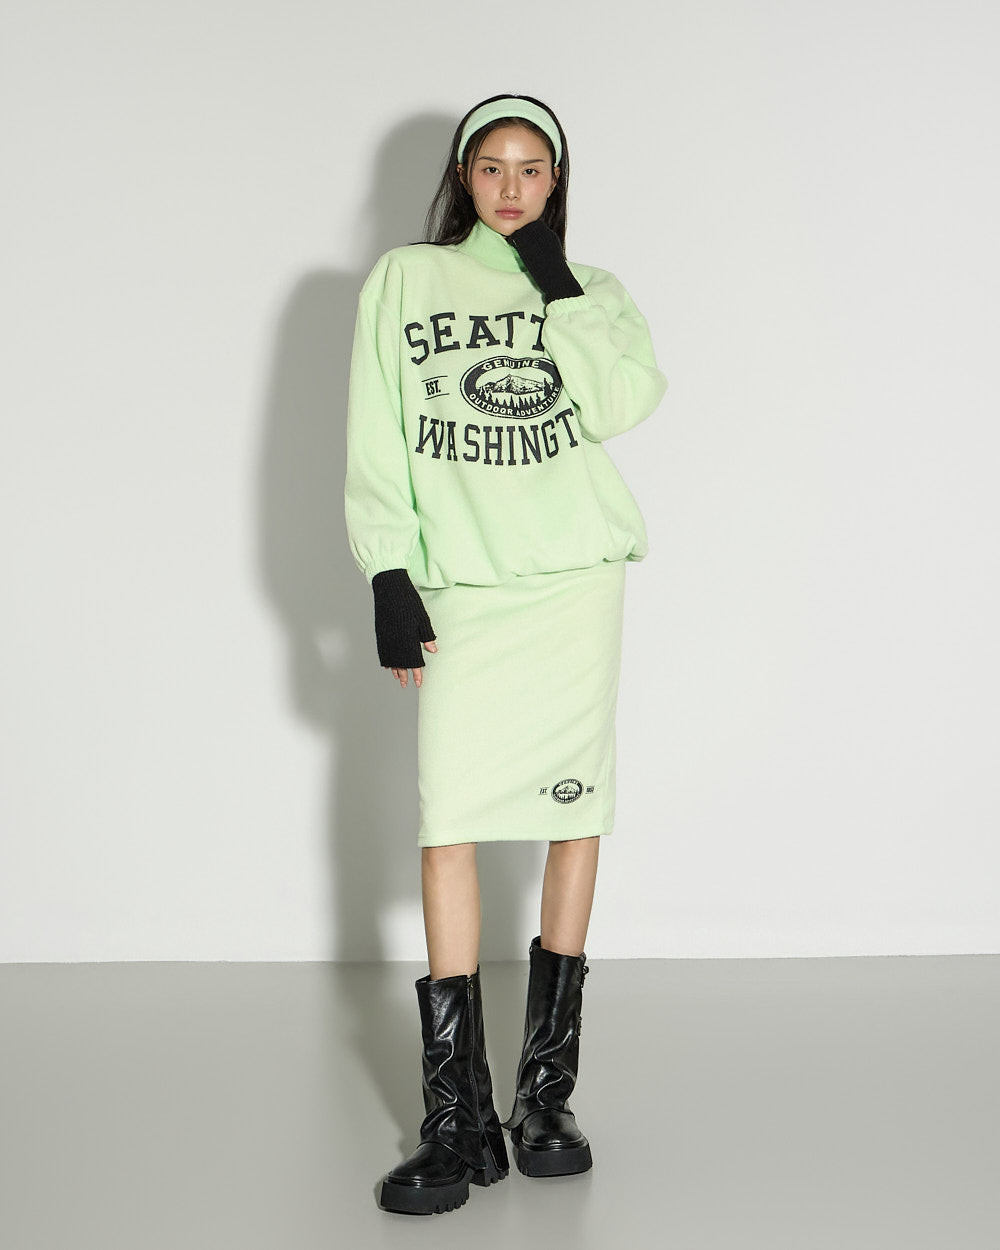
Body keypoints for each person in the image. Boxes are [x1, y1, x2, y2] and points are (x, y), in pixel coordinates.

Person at [344, 93, 667, 1216]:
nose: (513, 187)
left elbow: (619, 404)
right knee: (449, 823)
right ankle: (455, 1120)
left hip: (573, 581)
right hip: (467, 588)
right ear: (464, 177)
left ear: (555, 182)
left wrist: (556, 284)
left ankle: (542, 1101)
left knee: (575, 817)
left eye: (533, 169)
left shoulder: (593, 291)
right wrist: (388, 570)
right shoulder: (406, 280)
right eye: (492, 167)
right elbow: (377, 428)